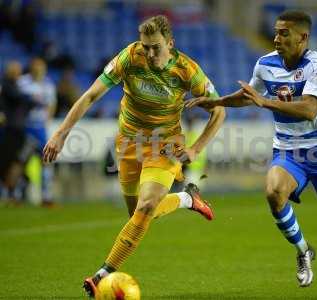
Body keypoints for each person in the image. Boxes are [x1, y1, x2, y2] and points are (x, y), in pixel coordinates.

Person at [186, 10, 317, 299]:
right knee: (274, 193)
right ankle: (303, 250)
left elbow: (311, 108)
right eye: (276, 32)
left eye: (284, 33)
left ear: (303, 37)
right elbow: (249, 96)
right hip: (289, 150)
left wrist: (265, 102)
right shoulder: (265, 64)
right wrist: (215, 102)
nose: (276, 38)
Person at [42, 15, 225, 298]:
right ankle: (187, 199)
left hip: (164, 146)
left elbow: (219, 110)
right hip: (128, 144)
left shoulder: (188, 70)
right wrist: (61, 133)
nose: (150, 53)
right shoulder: (129, 57)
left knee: (146, 207)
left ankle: (102, 274)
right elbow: (91, 95)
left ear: (171, 44)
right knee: (137, 215)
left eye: (156, 47)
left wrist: (196, 148)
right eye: (146, 47)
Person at [18, 57, 57, 207]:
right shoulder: (22, 83)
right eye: (36, 67)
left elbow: (52, 104)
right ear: (31, 68)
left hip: (40, 129)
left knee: (46, 161)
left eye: (41, 67)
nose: (39, 70)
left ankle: (46, 196)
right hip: (25, 127)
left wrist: (47, 119)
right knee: (21, 161)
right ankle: (16, 194)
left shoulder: (48, 85)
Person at [0, 61, 35, 203]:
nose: (18, 73)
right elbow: (20, 98)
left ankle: (13, 191)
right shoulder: (7, 85)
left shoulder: (15, 86)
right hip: (11, 130)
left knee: (17, 161)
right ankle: (9, 191)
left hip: (18, 130)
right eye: (15, 70)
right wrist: (30, 99)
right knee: (8, 161)